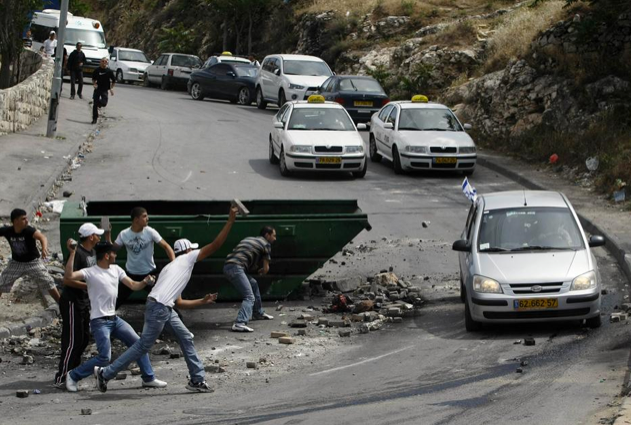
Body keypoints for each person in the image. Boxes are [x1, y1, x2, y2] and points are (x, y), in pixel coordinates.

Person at [94, 207, 238, 393]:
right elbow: (215, 245)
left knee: (186, 337)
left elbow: (178, 303)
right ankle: (106, 373)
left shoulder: (171, 268)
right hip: (159, 308)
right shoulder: (187, 259)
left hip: (163, 307)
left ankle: (197, 379)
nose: (196, 252)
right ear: (187, 251)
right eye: (192, 249)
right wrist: (230, 221)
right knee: (143, 345)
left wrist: (202, 301)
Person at [63, 241, 167, 392]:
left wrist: (144, 282)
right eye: (113, 253)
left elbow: (133, 285)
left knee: (139, 344)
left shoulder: (116, 269)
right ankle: (73, 375)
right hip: (99, 321)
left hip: (115, 319)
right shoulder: (90, 272)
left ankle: (148, 378)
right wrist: (72, 254)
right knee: (104, 357)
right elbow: (69, 276)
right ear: (106, 255)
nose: (115, 255)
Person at [53, 223, 103, 389]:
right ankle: (62, 377)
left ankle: (72, 373)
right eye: (97, 234)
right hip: (72, 302)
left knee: (83, 339)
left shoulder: (93, 252)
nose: (99, 237)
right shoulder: (78, 254)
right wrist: (89, 286)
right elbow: (67, 280)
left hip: (83, 302)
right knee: (72, 341)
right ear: (90, 237)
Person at [108, 207, 175, 309]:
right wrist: (107, 234)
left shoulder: (150, 232)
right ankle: (103, 321)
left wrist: (174, 264)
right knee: (114, 302)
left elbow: (166, 246)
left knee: (164, 300)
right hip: (131, 275)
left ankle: (177, 319)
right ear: (136, 220)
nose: (147, 218)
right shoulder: (124, 234)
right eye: (144, 216)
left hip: (149, 274)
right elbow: (112, 250)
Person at [0, 208, 60, 303]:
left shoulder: (29, 230)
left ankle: (61, 304)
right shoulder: (8, 231)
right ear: (16, 221)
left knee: (48, 281)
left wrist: (44, 248)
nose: (27, 220)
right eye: (23, 219)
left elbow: (42, 237)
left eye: (26, 218)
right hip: (16, 263)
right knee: (2, 281)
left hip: (33, 263)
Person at [223, 226, 276, 332]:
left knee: (253, 283)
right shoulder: (266, 244)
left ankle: (258, 313)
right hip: (236, 268)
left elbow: (243, 255)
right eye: (274, 235)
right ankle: (240, 323)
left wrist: (253, 266)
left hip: (229, 266)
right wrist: (262, 271)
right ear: (267, 235)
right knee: (249, 297)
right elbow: (266, 269)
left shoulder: (248, 239)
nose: (275, 239)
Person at [91, 57, 115, 124]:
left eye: (105, 62)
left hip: (104, 89)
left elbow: (113, 80)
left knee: (104, 103)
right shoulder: (97, 70)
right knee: (95, 104)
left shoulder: (109, 71)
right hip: (98, 89)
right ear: (100, 62)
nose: (104, 63)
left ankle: (99, 104)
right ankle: (94, 118)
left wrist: (111, 88)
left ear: (107, 63)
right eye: (102, 61)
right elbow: (93, 79)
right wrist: (94, 84)